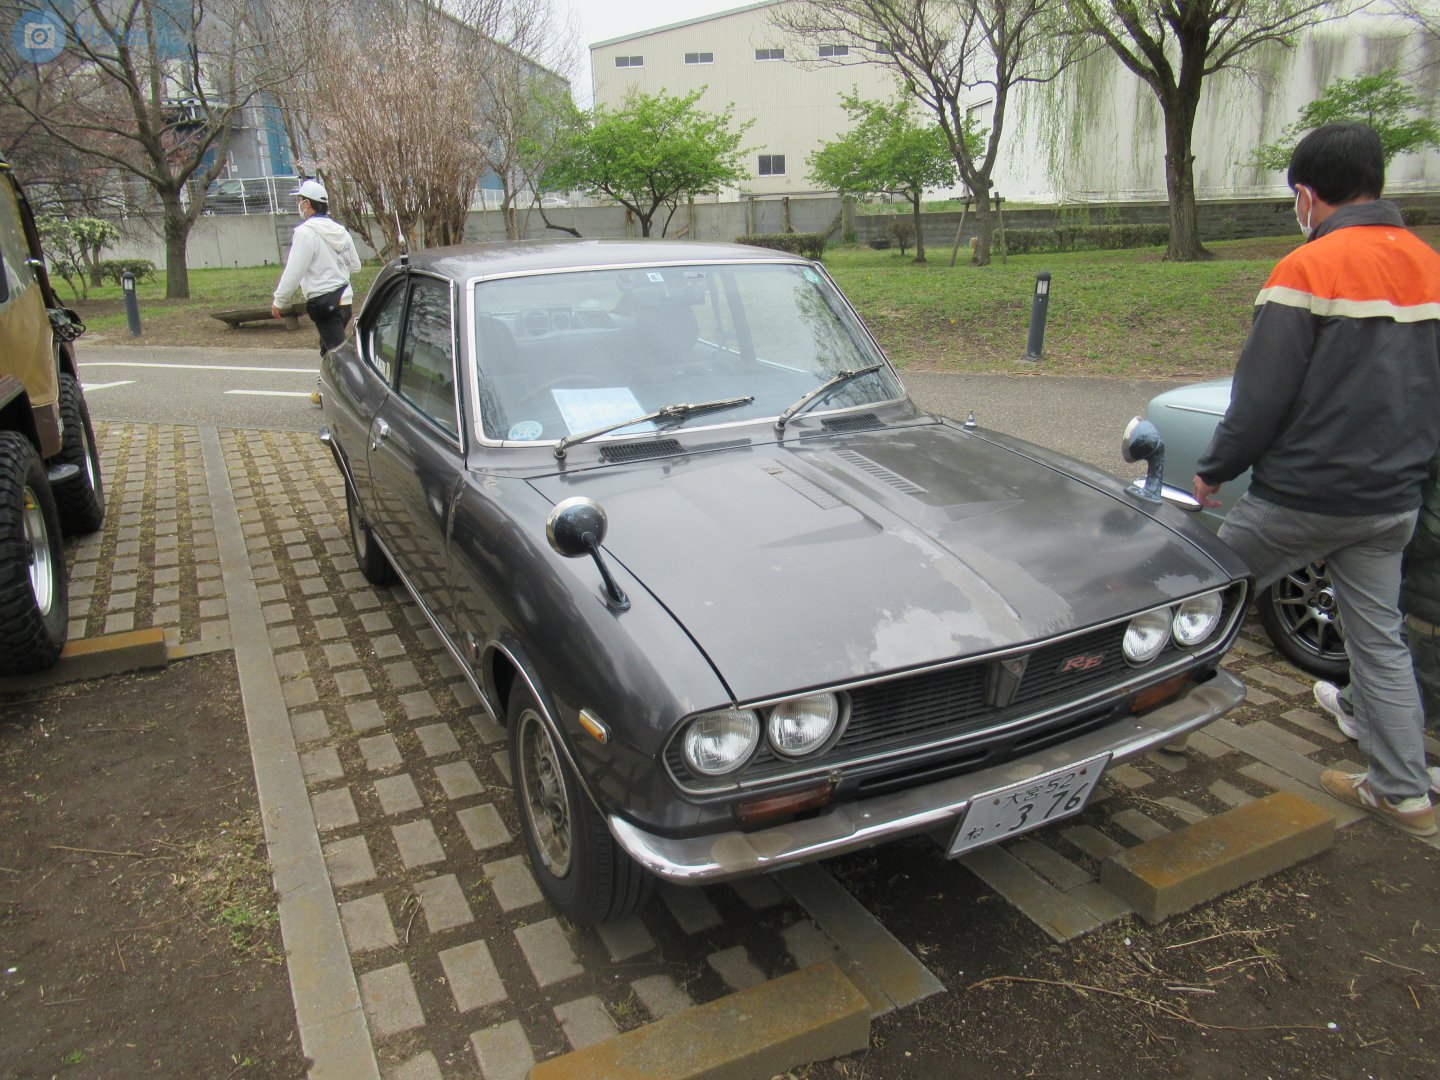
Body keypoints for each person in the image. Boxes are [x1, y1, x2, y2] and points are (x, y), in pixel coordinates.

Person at [1191, 122, 1440, 838]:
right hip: (1393, 502)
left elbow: (1261, 394)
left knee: (1205, 594)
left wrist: (1214, 471)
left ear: (1306, 194)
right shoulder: (1428, 264)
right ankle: (1402, 792)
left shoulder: (1307, 269)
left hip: (1301, 497)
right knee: (1380, 642)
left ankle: (1153, 723)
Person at [1314, 441, 1440, 795]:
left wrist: (1382, 546)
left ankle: (1398, 786)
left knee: (1425, 667)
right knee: (1393, 645)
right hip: (1423, 588)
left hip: (1431, 592)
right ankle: (1355, 706)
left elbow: (1432, 528)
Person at [272, 178, 361, 405]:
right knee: (328, 348)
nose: (299, 204)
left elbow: (294, 270)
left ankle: (353, 400)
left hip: (323, 302)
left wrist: (279, 300)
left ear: (308, 204)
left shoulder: (306, 233)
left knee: (336, 354)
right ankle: (323, 393)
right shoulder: (339, 230)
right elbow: (356, 266)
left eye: (300, 200)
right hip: (344, 299)